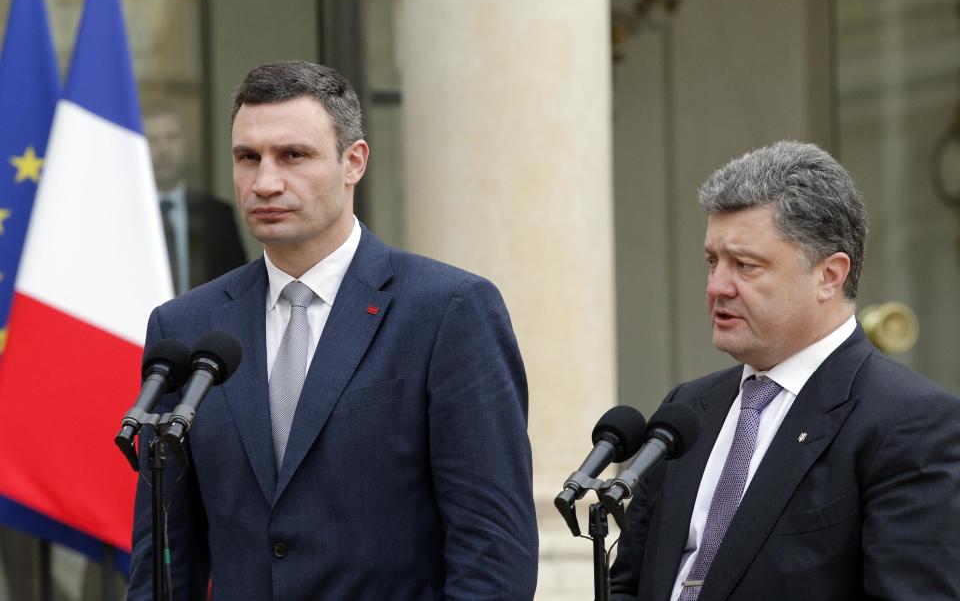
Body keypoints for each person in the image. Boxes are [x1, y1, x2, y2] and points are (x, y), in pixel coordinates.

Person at [128, 61, 538, 599]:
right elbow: (165, 557)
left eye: (293, 155)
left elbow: (493, 545)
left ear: (354, 162)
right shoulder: (186, 326)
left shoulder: (448, 311)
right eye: (248, 158)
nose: (266, 181)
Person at [610, 141, 960, 600]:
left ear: (829, 275)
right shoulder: (686, 411)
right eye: (713, 261)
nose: (717, 287)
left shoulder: (910, 423)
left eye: (745, 265)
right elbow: (628, 585)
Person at [144, 105, 247, 294]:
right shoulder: (127, 215)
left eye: (172, 137)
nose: (163, 149)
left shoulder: (218, 215)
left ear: (186, 143)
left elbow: (240, 285)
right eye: (153, 140)